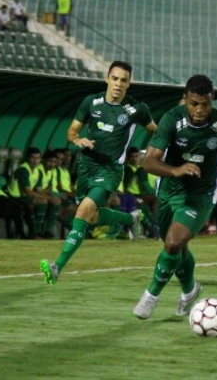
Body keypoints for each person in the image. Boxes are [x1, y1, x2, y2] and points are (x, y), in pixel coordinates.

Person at [132, 74, 217, 319]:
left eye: (205, 104)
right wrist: (176, 170)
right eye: (194, 104)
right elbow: (149, 162)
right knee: (175, 246)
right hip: (169, 191)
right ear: (184, 100)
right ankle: (190, 290)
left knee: (173, 243)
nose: (199, 110)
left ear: (212, 101)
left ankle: (150, 296)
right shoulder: (171, 120)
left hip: (201, 193)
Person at [40, 61, 156, 284]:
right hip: (86, 166)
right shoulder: (90, 102)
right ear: (107, 79)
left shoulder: (137, 109)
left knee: (82, 213)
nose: (118, 84)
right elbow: (72, 131)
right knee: (92, 217)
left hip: (110, 169)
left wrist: (157, 154)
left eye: (124, 80)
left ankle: (57, 267)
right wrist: (78, 139)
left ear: (129, 83)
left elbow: (156, 132)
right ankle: (130, 219)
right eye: (115, 78)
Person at [7, 147, 59, 239]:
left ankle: (46, 232)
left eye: (37, 158)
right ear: (27, 158)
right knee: (43, 201)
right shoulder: (23, 170)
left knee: (55, 201)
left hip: (25, 196)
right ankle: (36, 233)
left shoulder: (37, 171)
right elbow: (28, 192)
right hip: (15, 197)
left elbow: (39, 190)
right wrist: (48, 198)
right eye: (32, 158)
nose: (35, 161)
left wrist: (50, 196)